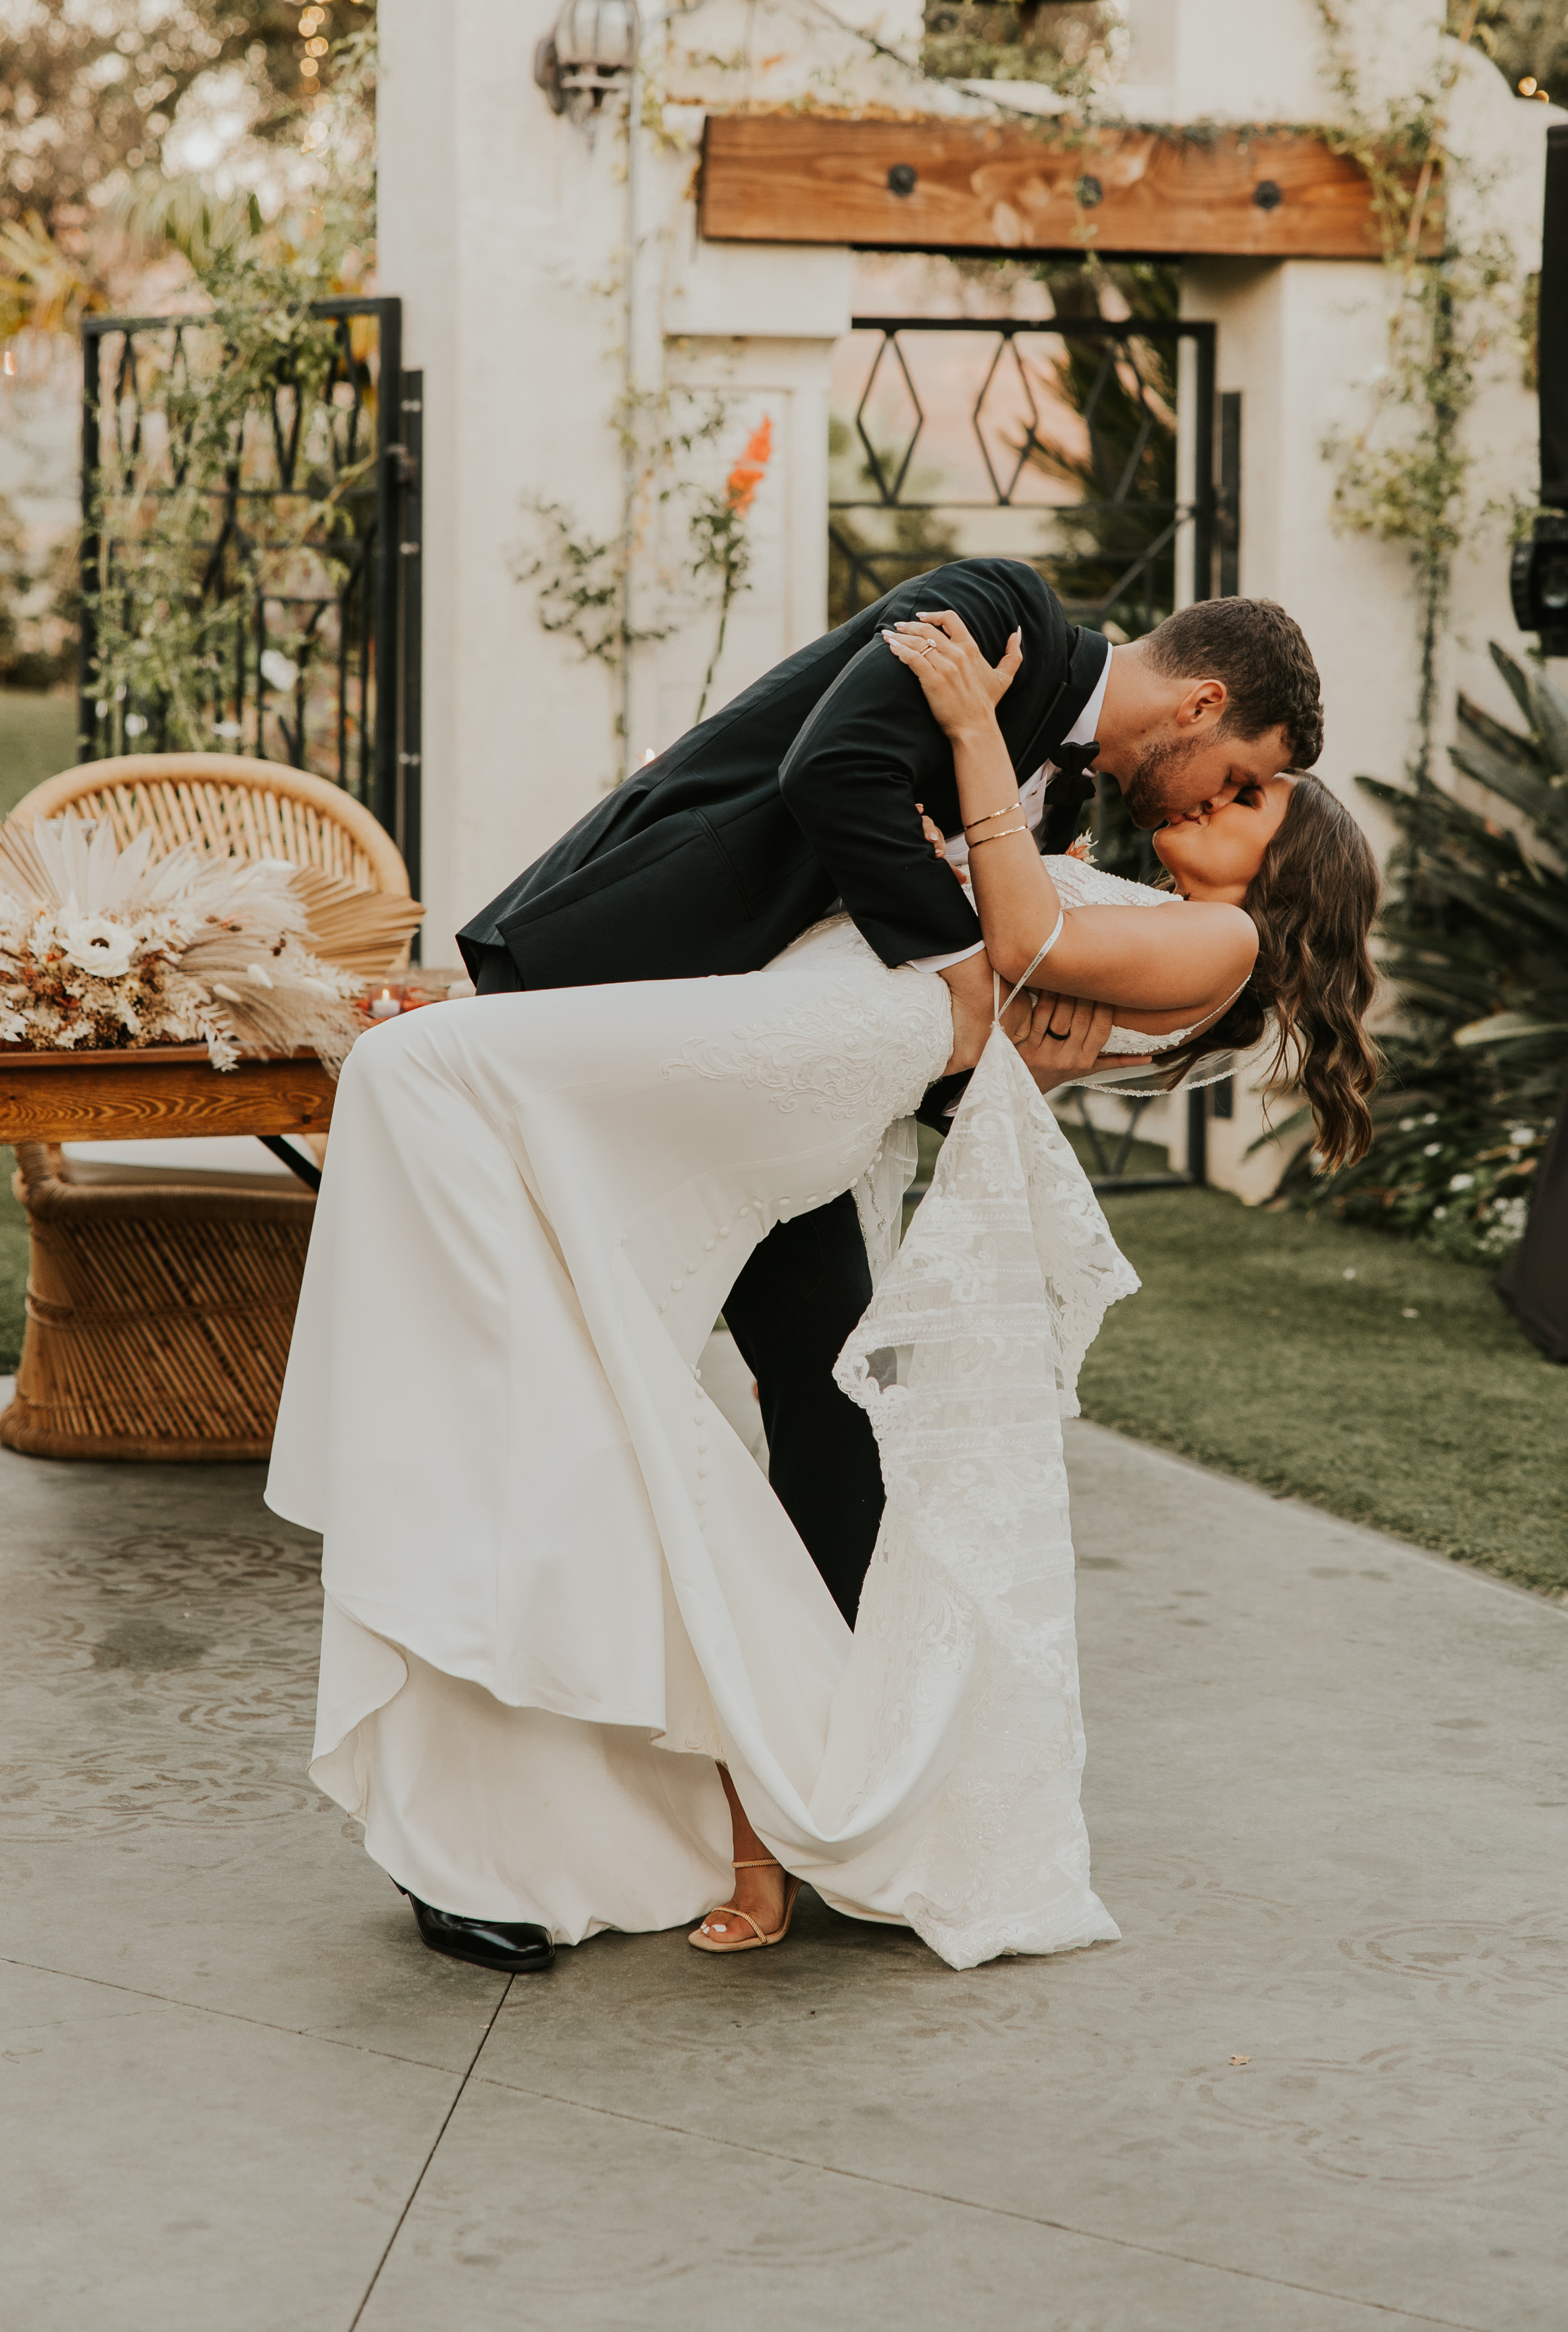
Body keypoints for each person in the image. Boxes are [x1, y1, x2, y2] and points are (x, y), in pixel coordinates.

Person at [265, 578, 1377, 1975]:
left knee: (768, 1405)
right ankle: (619, 1813)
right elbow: (834, 778)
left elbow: (1008, 971)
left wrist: (984, 1010)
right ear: (1208, 706)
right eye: (1251, 775)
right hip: (687, 1010)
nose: (1218, 802)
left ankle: (811, 1809)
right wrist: (975, 973)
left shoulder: (1131, 864)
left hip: (802, 1078)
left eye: (1252, 802)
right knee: (555, 1350)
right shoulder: (993, 615)